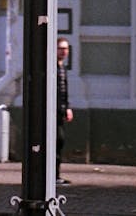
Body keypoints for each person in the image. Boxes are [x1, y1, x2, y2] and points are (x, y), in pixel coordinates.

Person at [56, 37, 73, 185]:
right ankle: (53, 176)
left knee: (59, 142)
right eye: (60, 48)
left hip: (60, 112)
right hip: (52, 113)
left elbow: (64, 91)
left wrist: (67, 107)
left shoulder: (62, 68)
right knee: (57, 141)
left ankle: (55, 175)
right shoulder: (52, 68)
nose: (63, 52)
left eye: (65, 49)